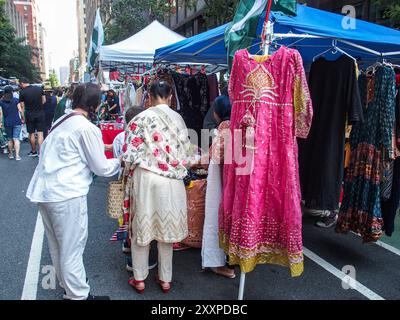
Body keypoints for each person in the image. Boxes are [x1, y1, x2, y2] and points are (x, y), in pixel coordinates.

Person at [26, 83, 121, 300]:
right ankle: (79, 295)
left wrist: (104, 149)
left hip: (47, 191)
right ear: (96, 104)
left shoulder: (63, 120)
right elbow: (101, 167)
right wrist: (120, 160)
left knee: (58, 246)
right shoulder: (87, 128)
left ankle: (69, 287)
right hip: (67, 194)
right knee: (72, 247)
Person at [122, 80, 191, 294]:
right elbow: (185, 152)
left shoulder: (140, 118)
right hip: (171, 180)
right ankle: (165, 279)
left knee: (142, 225)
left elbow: (128, 154)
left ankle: (139, 278)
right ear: (170, 97)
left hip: (146, 179)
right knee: (165, 229)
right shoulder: (178, 119)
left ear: (149, 97)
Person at [201, 92, 235, 279]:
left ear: (218, 112)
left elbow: (213, 160)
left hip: (222, 186)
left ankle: (218, 263)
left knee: (216, 218)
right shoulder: (243, 127)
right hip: (237, 188)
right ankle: (231, 261)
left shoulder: (225, 131)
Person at [19, 78, 46, 157]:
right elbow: (44, 101)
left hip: (29, 114)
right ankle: (40, 153)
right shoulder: (39, 89)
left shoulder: (22, 92)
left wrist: (23, 117)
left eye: (20, 84)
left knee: (31, 134)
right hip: (40, 113)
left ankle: (33, 152)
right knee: (40, 133)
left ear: (22, 83)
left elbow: (22, 106)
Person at [0, 86, 23, 160]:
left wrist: (0, 122)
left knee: (9, 139)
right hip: (17, 121)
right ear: (11, 92)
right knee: (16, 139)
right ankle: (17, 156)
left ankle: (11, 154)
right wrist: (23, 118)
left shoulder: (1, 101)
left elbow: (0, 114)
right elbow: (20, 110)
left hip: (7, 123)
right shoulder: (16, 100)